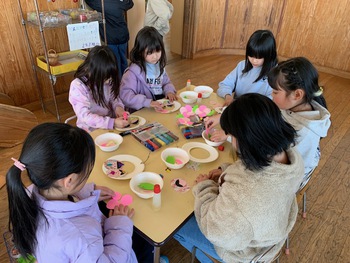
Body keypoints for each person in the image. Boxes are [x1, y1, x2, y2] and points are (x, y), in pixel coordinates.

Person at [174, 93, 304, 263]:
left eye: (232, 136)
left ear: (246, 141)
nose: (232, 141)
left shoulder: (245, 195)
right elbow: (257, 175)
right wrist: (227, 173)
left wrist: (205, 188)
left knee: (177, 227)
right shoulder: (292, 156)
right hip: (270, 231)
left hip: (247, 252)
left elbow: (215, 231)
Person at [6, 123, 137, 262]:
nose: (87, 175)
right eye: (86, 172)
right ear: (69, 181)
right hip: (110, 247)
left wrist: (86, 191)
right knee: (144, 245)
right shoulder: (82, 237)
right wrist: (119, 227)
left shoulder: (29, 192)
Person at [267, 56, 331, 188]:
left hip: (289, 179)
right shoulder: (295, 104)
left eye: (275, 92)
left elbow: (290, 171)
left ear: (297, 95)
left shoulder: (304, 133)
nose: (271, 95)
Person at [69, 45, 130, 132]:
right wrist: (112, 122)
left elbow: (114, 98)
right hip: (90, 131)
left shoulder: (108, 79)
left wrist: (119, 108)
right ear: (91, 70)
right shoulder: (78, 86)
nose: (109, 80)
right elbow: (85, 116)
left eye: (110, 77)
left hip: (111, 126)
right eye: (105, 77)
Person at [119, 26, 177, 113]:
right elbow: (126, 96)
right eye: (150, 53)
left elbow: (166, 82)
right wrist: (147, 102)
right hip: (142, 111)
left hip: (159, 107)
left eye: (158, 51)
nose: (155, 56)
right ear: (140, 51)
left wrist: (169, 91)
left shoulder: (159, 66)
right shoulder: (132, 72)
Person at [217, 29, 278, 106]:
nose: (254, 61)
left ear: (270, 55)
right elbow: (225, 84)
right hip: (237, 108)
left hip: (255, 113)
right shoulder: (242, 65)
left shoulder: (276, 74)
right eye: (251, 56)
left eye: (259, 58)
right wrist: (228, 96)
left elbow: (271, 101)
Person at [85, 0, 134, 79]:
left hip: (110, 37)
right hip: (123, 35)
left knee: (115, 62)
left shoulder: (101, 3)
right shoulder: (120, 2)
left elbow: (89, 1)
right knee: (123, 60)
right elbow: (130, 4)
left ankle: (119, 85)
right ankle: (126, 81)